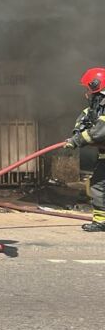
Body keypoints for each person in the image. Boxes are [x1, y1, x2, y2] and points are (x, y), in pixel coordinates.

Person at [62, 67, 105, 232]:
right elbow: (84, 119)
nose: (85, 92)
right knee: (98, 185)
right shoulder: (95, 108)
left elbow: (100, 131)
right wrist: (76, 134)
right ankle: (101, 221)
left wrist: (77, 141)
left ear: (96, 86)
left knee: (99, 185)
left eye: (87, 88)